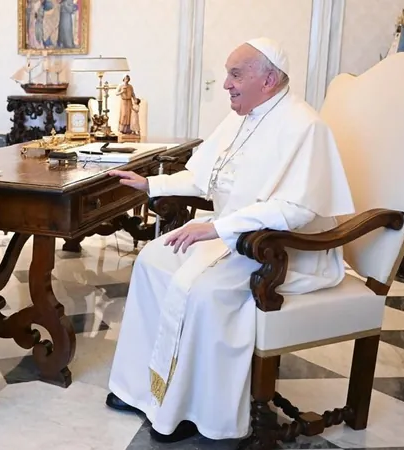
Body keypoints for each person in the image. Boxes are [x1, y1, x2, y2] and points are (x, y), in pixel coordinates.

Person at [104, 38, 355, 442]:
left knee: (205, 291)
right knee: (153, 260)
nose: (226, 84)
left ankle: (193, 412)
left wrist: (219, 228)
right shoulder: (241, 117)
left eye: (236, 74)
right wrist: (152, 183)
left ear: (269, 79)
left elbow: (298, 210)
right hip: (236, 236)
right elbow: (205, 177)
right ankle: (144, 389)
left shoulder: (305, 126)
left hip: (283, 249)